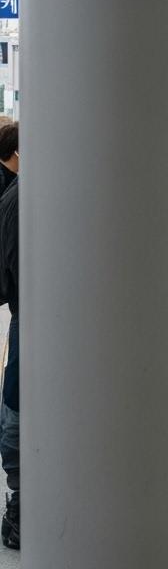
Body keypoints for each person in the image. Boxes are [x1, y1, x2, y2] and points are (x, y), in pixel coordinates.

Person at [0, 124, 17, 549]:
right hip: (31, 319)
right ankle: (19, 504)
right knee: (16, 404)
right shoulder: (20, 198)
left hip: (26, 317)